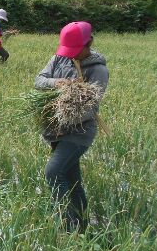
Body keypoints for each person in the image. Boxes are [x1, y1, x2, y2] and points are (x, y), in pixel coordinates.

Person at [35, 21, 109, 232]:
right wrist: (56, 83)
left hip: (78, 132)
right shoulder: (59, 58)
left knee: (53, 171)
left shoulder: (98, 70)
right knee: (72, 179)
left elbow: (90, 107)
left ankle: (67, 226)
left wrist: (63, 109)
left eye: (77, 50)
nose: (72, 55)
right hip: (55, 130)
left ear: (90, 43)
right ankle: (82, 227)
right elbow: (39, 80)